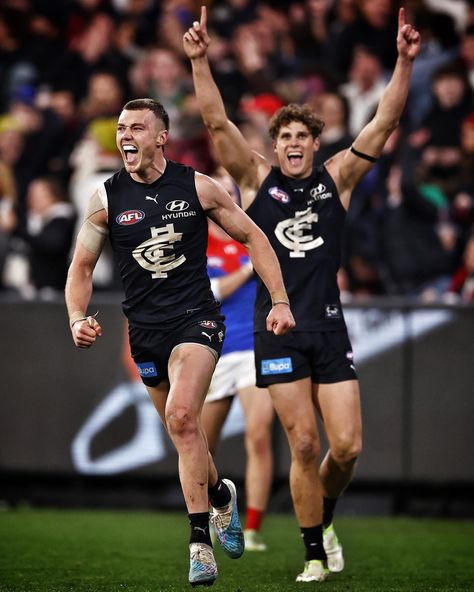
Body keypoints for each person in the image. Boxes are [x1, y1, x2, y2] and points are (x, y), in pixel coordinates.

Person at [184, 6, 420, 583]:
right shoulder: (256, 181)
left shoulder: (335, 179)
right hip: (276, 328)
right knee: (305, 444)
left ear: (316, 142)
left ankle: (328, 517)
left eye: (301, 135)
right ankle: (314, 553)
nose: (293, 143)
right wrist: (199, 61)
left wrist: (404, 61)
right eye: (284, 136)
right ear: (276, 144)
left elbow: (384, 123)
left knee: (348, 449)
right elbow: (217, 125)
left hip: (329, 325)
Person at [65, 97, 295, 588]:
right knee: (184, 434)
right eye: (122, 128)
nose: (126, 135)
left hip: (196, 322)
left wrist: (279, 299)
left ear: (161, 137)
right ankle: (220, 498)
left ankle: (198, 546)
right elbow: (81, 269)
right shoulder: (106, 198)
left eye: (138, 128)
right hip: (144, 332)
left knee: (182, 418)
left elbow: (255, 237)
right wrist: (75, 316)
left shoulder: (196, 186)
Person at [203, 167, 274, 552]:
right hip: (212, 350)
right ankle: (214, 512)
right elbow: (211, 291)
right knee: (200, 447)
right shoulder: (194, 242)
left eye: (228, 190)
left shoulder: (251, 236)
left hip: (251, 345)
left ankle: (254, 528)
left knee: (259, 433)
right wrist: (248, 267)